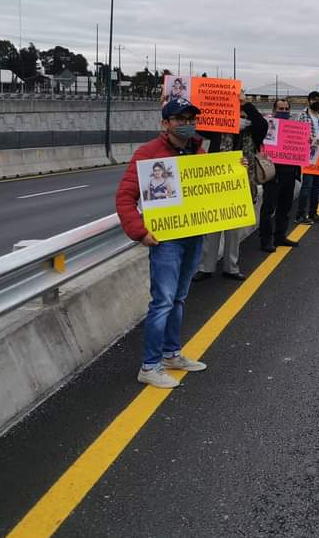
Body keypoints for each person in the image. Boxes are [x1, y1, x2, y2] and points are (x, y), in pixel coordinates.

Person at [115, 98, 211, 388]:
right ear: (165, 123)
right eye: (180, 119)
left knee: (178, 298)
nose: (187, 124)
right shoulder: (148, 154)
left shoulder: (198, 150)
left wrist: (236, 169)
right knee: (163, 302)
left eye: (191, 119)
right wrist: (140, 232)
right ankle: (150, 365)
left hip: (193, 235)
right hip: (166, 240)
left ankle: (171, 354)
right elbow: (125, 198)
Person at [195, 96, 268, 282]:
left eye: (243, 114)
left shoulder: (253, 131)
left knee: (234, 231)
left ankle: (231, 267)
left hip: (240, 185)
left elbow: (262, 124)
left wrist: (246, 104)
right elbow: (200, 125)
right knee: (211, 228)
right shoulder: (218, 130)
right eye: (237, 113)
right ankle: (206, 267)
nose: (241, 116)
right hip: (217, 184)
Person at [258, 99, 301, 253]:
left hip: (290, 173)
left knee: (285, 207)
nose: (283, 111)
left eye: (286, 109)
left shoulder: (294, 128)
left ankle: (280, 236)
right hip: (273, 174)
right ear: (274, 110)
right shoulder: (267, 126)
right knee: (269, 209)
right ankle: (265, 240)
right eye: (280, 109)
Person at [295, 91, 319, 226]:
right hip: (308, 156)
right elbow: (297, 134)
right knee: (307, 186)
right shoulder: (302, 115)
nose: (317, 102)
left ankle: (313, 213)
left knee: (316, 186)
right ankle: (300, 215)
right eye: (314, 100)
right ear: (308, 101)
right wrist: (307, 139)